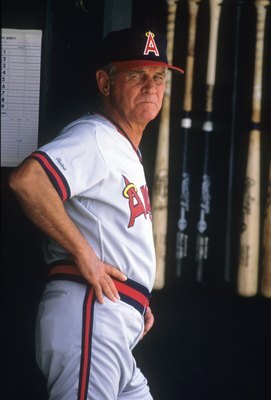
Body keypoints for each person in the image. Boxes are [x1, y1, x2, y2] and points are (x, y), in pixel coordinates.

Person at [9, 28, 183, 400]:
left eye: (159, 77)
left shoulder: (121, 147)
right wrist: (84, 255)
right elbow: (29, 181)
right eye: (137, 75)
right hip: (91, 309)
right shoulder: (95, 136)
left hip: (114, 318)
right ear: (105, 83)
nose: (151, 87)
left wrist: (137, 296)